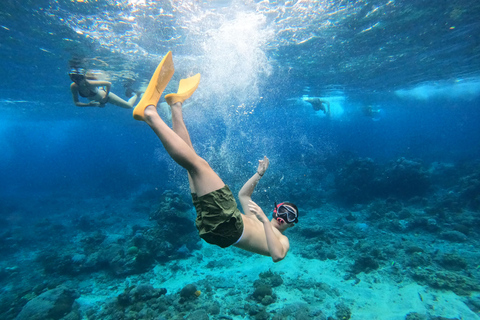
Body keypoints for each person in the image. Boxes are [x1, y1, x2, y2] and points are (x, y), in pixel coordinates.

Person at [132, 51, 299, 262]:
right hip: (217, 227)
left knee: (199, 165)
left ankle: (149, 113)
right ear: (276, 209)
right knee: (192, 165)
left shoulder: (282, 241)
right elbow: (244, 197)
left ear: (292, 224)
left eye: (290, 216)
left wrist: (266, 221)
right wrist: (258, 175)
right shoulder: (256, 216)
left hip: (229, 225)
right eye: (283, 210)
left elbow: (276, 256)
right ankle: (176, 106)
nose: (284, 217)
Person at [69, 67, 140, 109]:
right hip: (99, 101)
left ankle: (136, 94)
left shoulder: (89, 83)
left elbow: (108, 84)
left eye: (79, 78)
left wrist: (105, 97)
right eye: (74, 79)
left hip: (105, 95)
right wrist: (88, 105)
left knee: (129, 106)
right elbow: (76, 102)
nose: (77, 81)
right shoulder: (74, 86)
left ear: (84, 78)